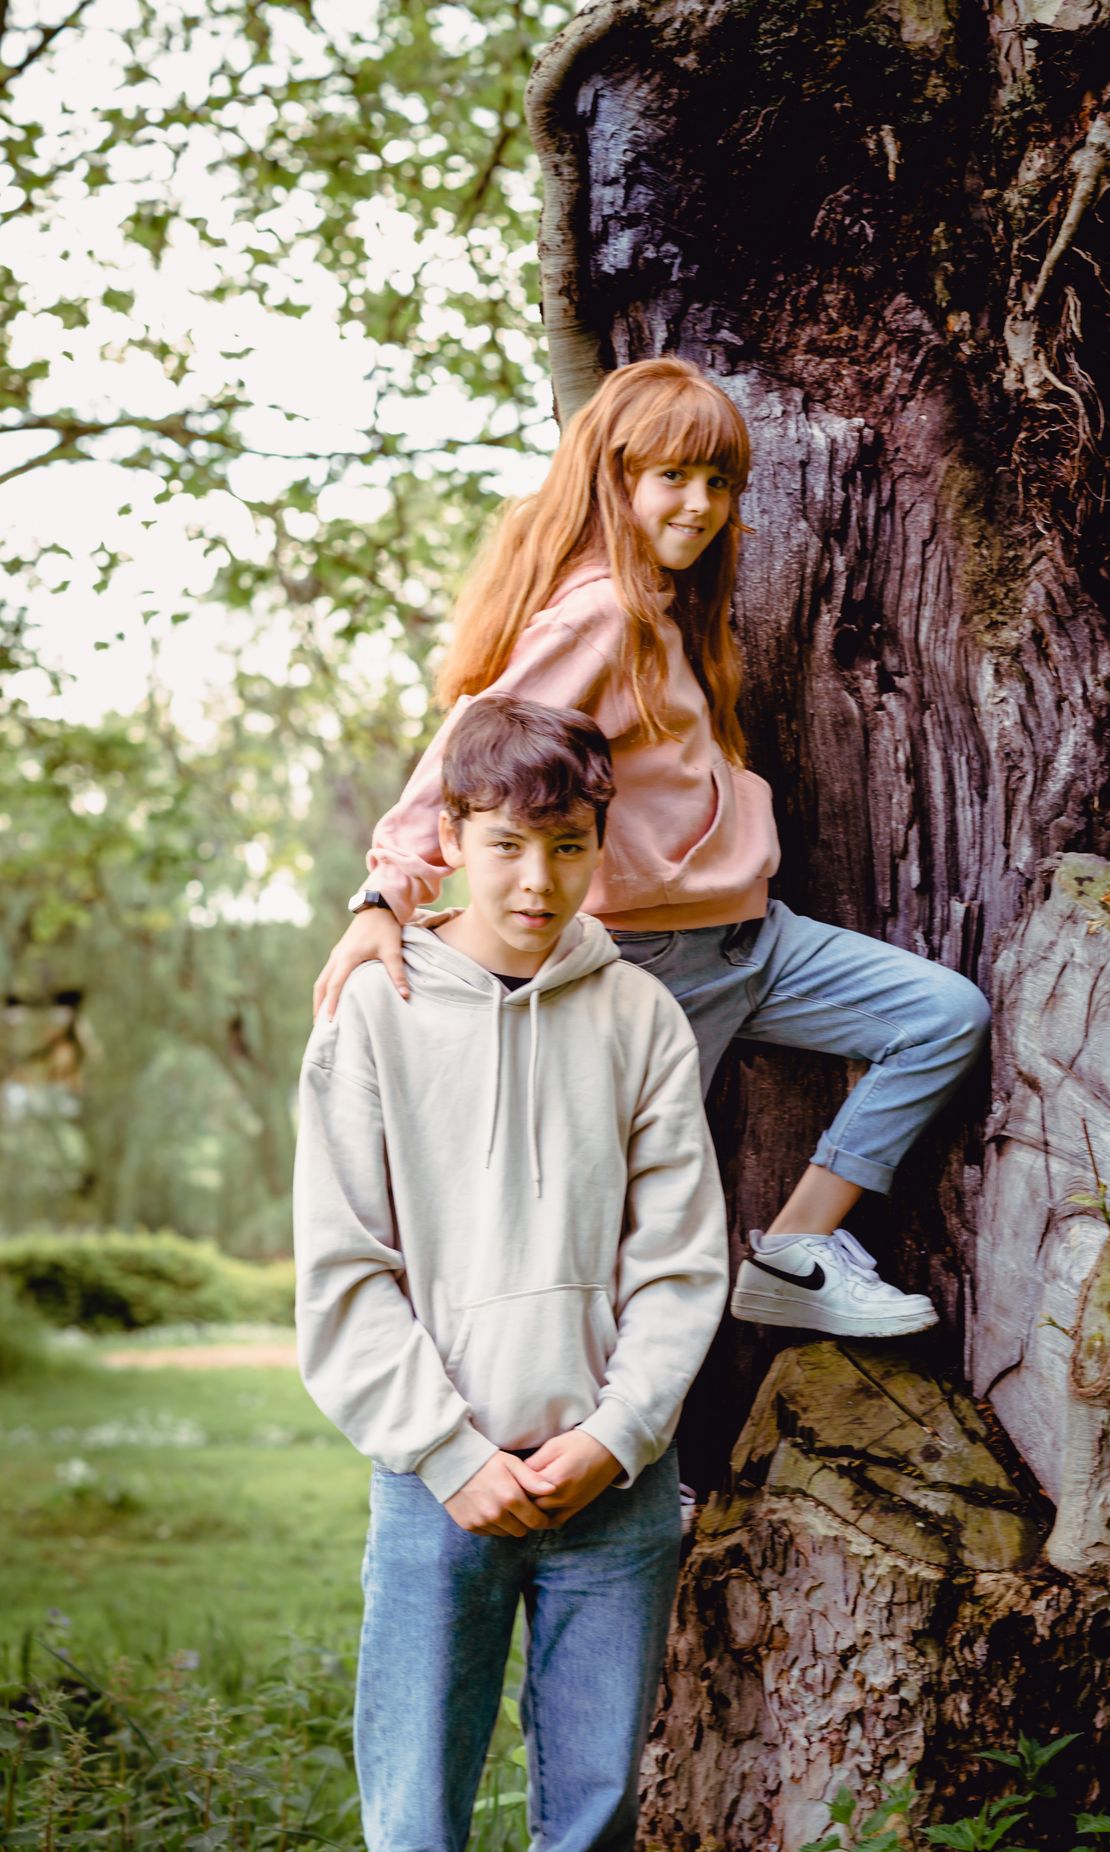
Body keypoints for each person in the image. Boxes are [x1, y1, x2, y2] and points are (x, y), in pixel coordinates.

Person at [314, 355, 990, 1339]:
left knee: (939, 1016)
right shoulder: (597, 615)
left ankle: (796, 1251)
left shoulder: (666, 613)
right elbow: (473, 751)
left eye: (718, 481)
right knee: (628, 1226)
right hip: (657, 965)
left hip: (756, 943)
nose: (701, 503)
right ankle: (614, 1473)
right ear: (613, 480)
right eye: (671, 476)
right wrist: (386, 894)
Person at [294, 695, 728, 1852]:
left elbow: (681, 1260)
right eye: (506, 845)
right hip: (438, 1490)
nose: (538, 880)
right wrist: (445, 1449)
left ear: (600, 846)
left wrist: (615, 1434)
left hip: (614, 1491)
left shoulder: (640, 1017)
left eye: (569, 846)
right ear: (451, 838)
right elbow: (342, 1267)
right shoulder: (374, 1013)